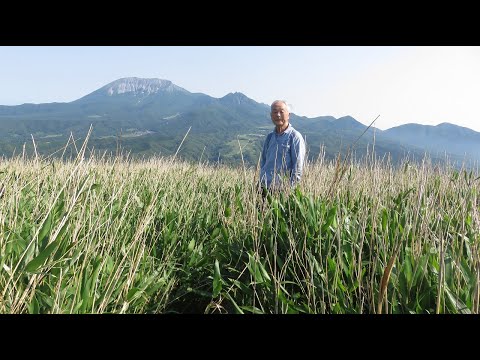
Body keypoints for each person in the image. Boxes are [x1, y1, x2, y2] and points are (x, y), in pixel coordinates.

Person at [259, 100, 306, 196]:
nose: (278, 115)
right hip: (264, 188)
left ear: (289, 115)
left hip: (282, 190)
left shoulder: (295, 137)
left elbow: (297, 167)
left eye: (281, 111)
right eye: (275, 112)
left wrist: (289, 190)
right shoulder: (269, 137)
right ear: (271, 115)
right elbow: (263, 161)